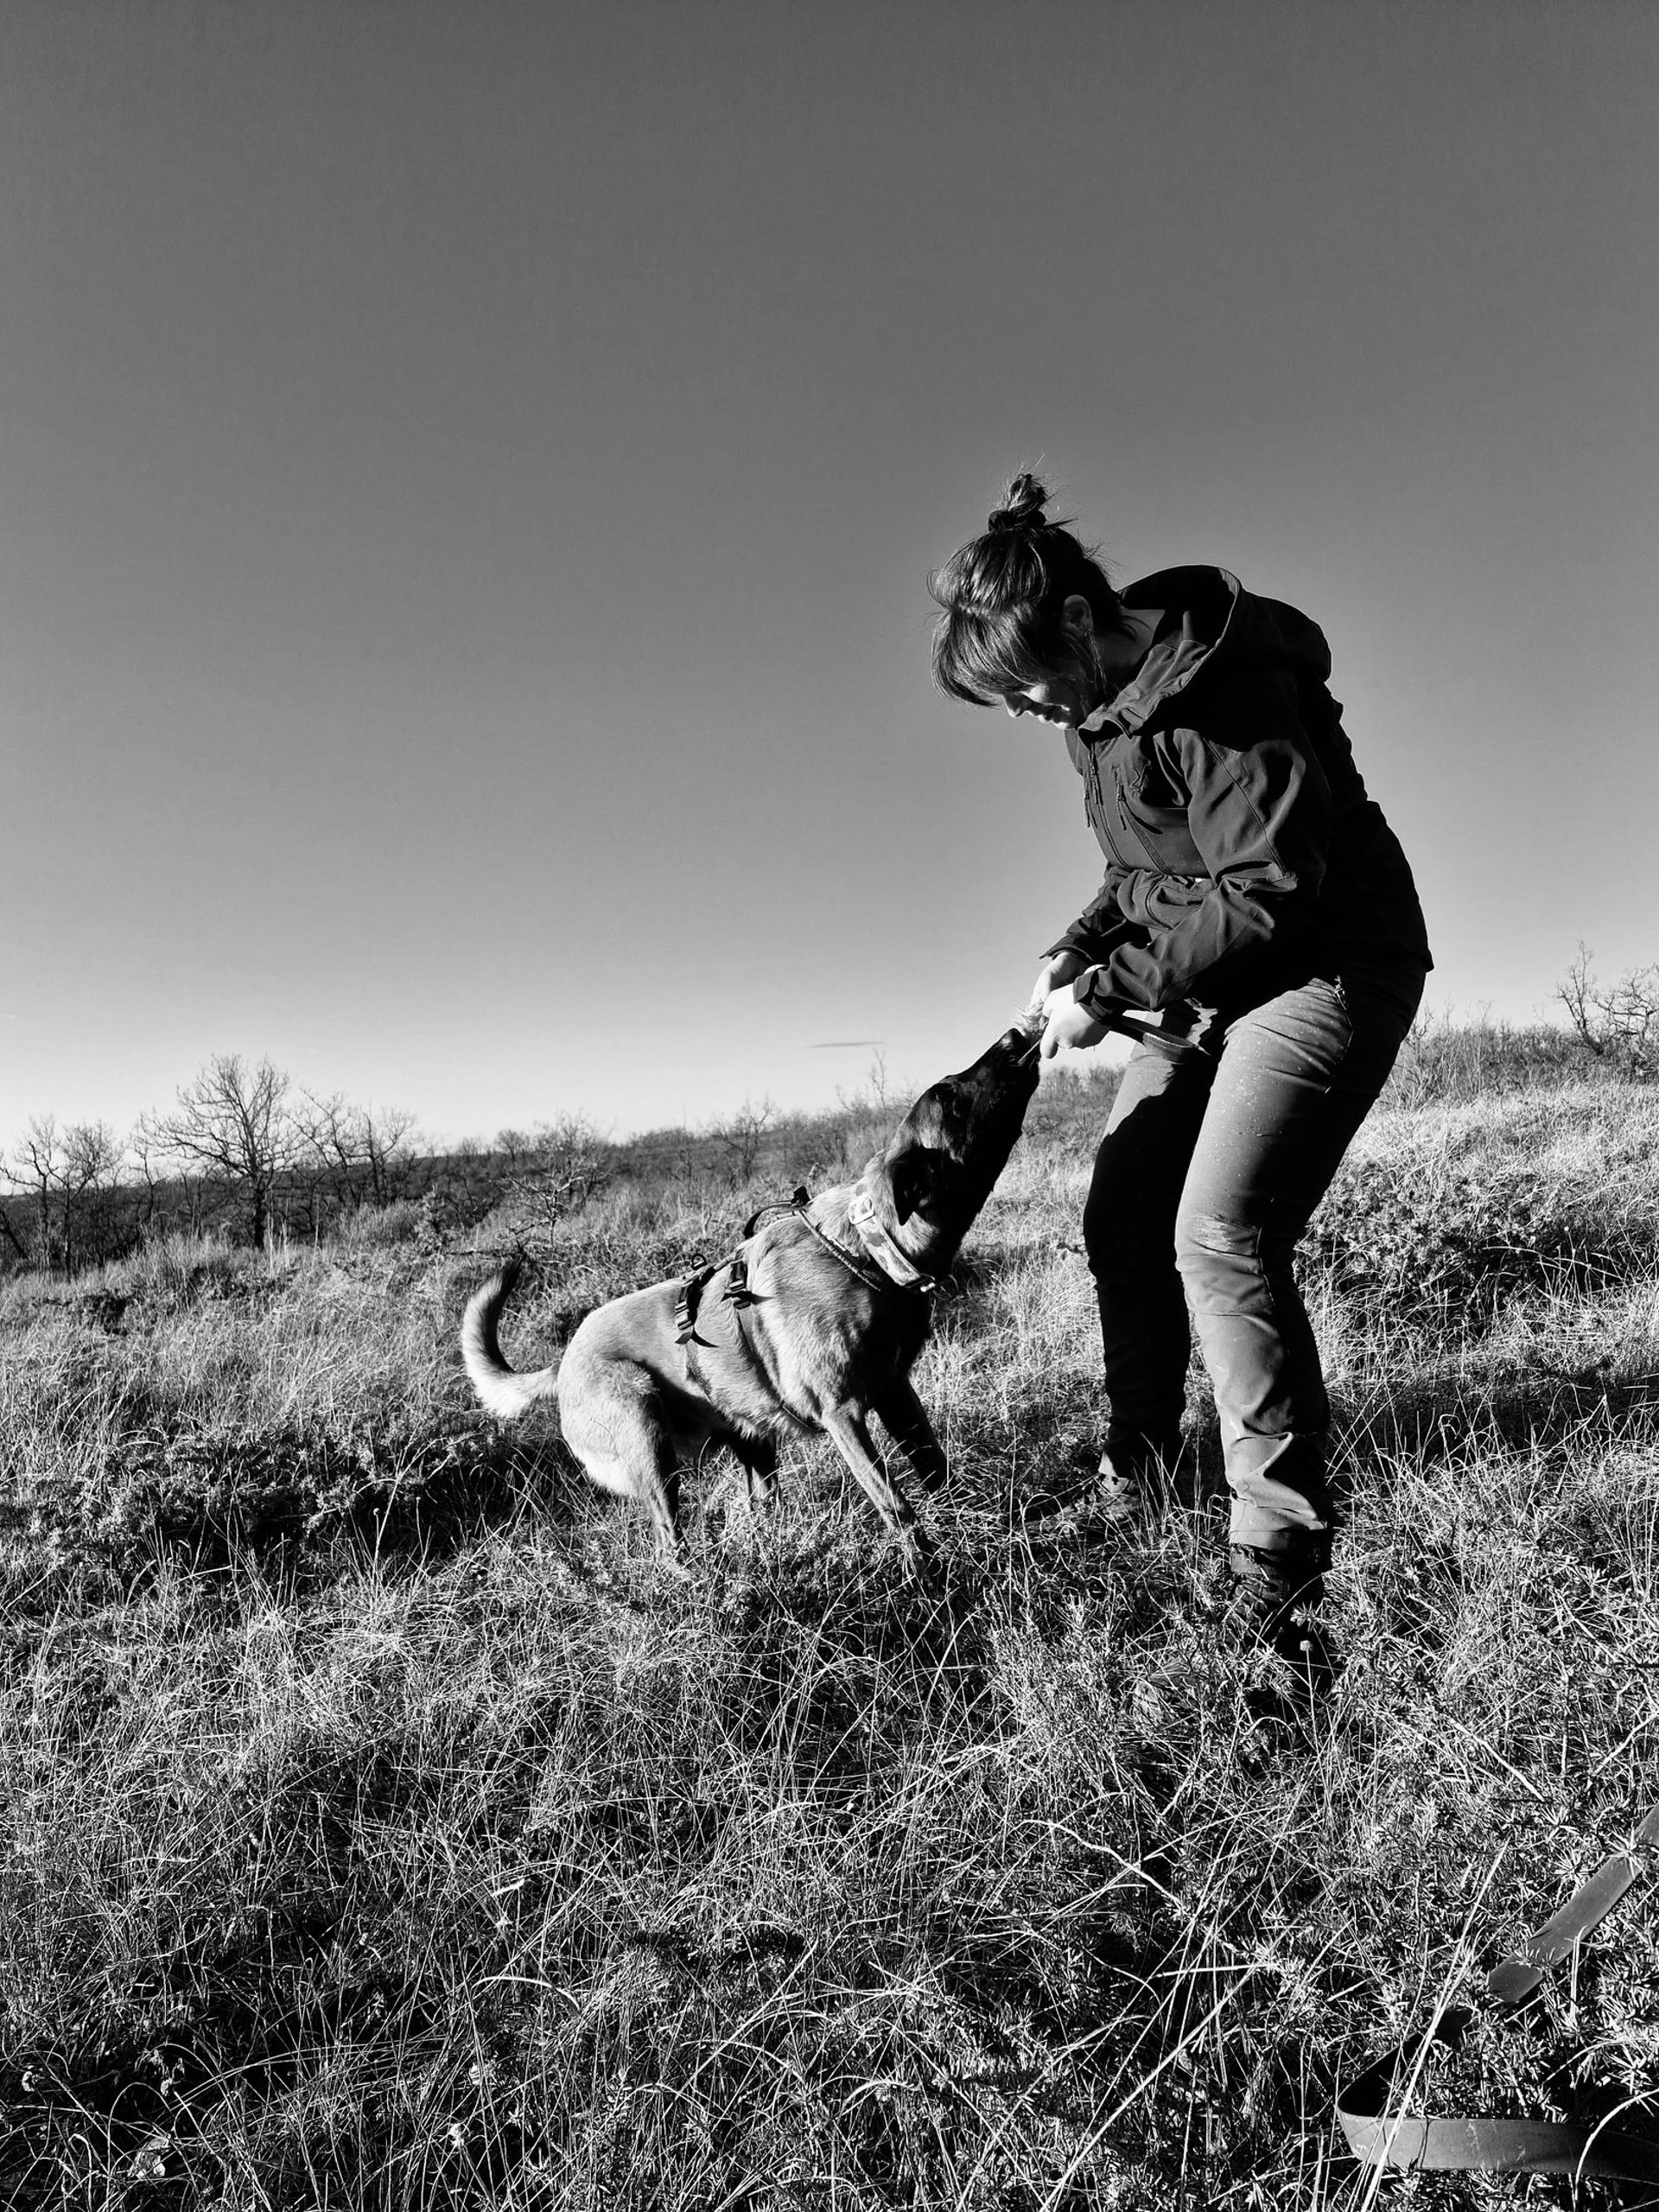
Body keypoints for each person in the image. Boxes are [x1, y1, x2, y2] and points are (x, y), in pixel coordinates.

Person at [929, 473, 1432, 1682]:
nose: (1022, 715)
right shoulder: (1097, 715)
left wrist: (1107, 993)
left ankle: (1282, 1553)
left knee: (1220, 1233)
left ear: (1085, 625)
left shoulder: (1226, 696)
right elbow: (1146, 867)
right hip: (1199, 984)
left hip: (1325, 967)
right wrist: (1081, 945)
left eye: (1025, 686)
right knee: (1122, 1216)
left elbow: (1266, 888)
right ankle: (1140, 1468)